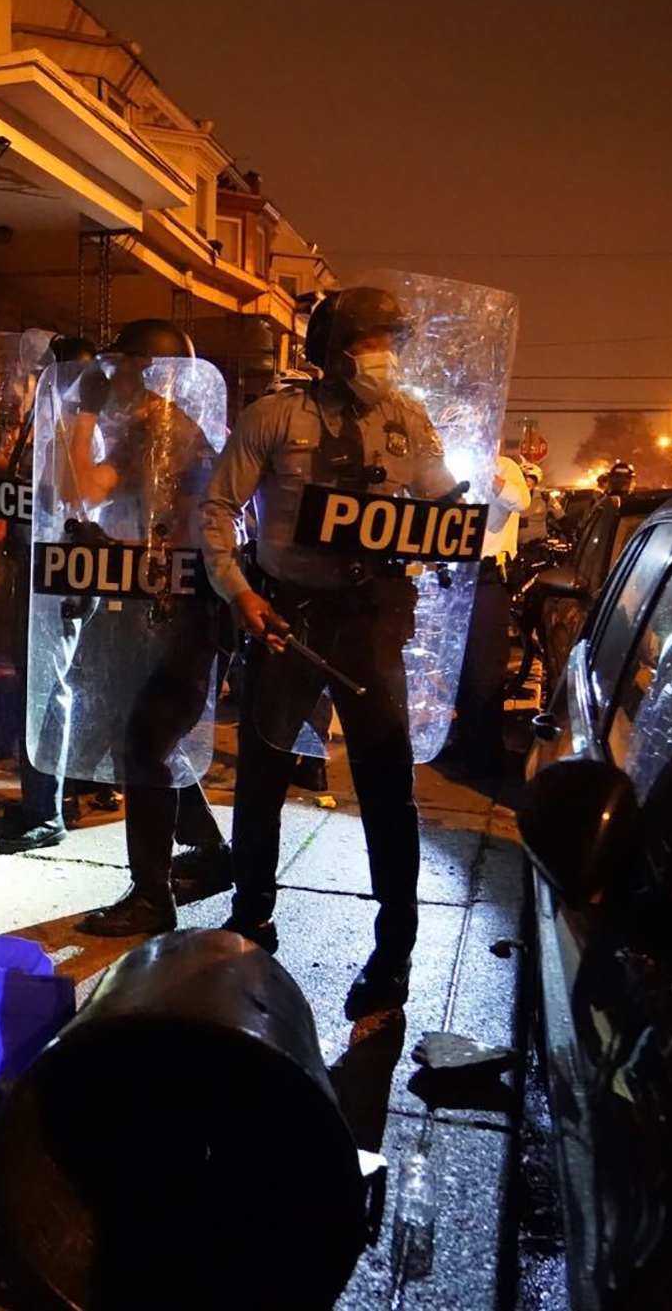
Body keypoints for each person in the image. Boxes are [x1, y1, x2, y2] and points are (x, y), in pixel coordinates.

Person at [201, 286, 457, 1014]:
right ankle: (251, 919)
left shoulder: (409, 421)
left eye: (391, 341)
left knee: (386, 782)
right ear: (332, 349)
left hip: (370, 619)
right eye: (371, 341)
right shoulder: (275, 417)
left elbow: (443, 501)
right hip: (286, 616)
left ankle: (394, 948)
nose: (385, 357)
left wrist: (476, 515)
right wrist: (239, 594)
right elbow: (218, 507)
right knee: (262, 772)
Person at [54, 321, 233, 936]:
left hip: (172, 609)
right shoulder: (161, 428)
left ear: (143, 368)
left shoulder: (158, 431)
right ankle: (210, 855)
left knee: (144, 746)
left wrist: (81, 413)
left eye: (119, 367)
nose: (110, 379)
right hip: (169, 604)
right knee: (152, 742)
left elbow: (77, 487)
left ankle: (152, 897)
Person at [0, 334, 94, 852]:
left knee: (48, 693)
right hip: (35, 568)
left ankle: (46, 810)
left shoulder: (86, 431)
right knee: (35, 690)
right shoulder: (50, 427)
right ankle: (38, 799)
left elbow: (78, 508)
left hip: (62, 574)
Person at [442, 453, 531, 779]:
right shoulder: (448, 461)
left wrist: (488, 475)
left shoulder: (505, 467)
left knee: (485, 667)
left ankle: (486, 753)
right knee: (458, 666)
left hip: (486, 577)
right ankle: (464, 742)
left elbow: (521, 502)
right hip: (451, 577)